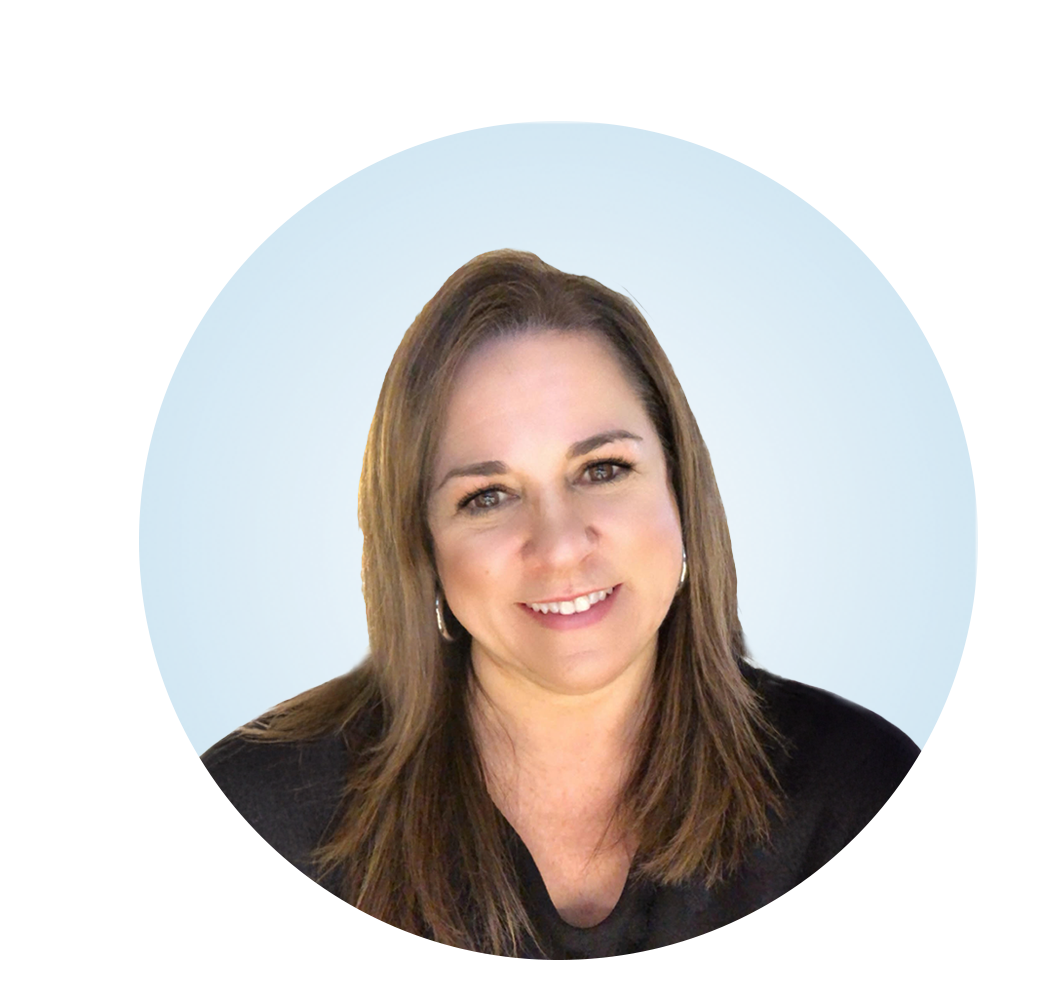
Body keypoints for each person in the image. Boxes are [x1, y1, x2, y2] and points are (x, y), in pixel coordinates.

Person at [202, 249, 919, 959]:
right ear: (420, 547)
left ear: (681, 492)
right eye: (487, 496)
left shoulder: (865, 798)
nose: (559, 545)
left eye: (602, 469)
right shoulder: (252, 822)